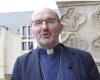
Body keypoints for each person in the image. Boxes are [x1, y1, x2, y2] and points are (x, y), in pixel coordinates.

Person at [11, 8, 100, 80]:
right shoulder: (21, 63)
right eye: (38, 22)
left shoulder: (83, 58)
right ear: (31, 30)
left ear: (60, 27)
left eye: (50, 21)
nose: (44, 27)